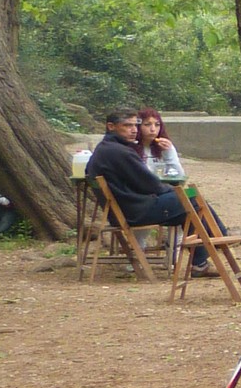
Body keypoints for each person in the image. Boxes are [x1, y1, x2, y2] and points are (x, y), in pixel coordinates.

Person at [85, 108, 208, 271]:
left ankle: (200, 263)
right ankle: (218, 238)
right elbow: (151, 184)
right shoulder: (120, 152)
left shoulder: (107, 148)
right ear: (111, 126)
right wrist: (175, 191)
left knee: (189, 205)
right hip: (136, 210)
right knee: (192, 197)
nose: (134, 130)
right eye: (127, 125)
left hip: (129, 208)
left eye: (135, 125)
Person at [134, 108, 185, 181]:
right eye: (147, 125)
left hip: (162, 185)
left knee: (189, 190)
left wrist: (168, 152)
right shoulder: (131, 147)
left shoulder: (165, 146)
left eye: (157, 125)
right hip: (141, 186)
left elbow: (179, 176)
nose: (153, 129)